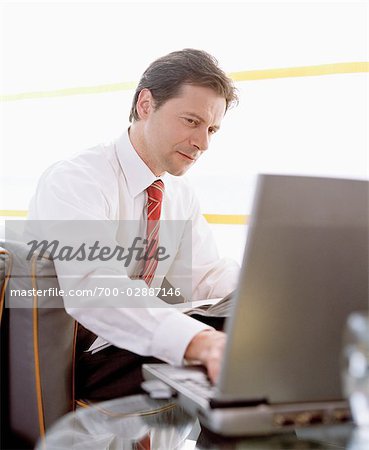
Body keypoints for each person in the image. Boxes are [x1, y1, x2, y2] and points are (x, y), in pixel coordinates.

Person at [27, 49, 240, 400]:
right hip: (78, 359)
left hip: (128, 349)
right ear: (145, 104)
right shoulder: (77, 180)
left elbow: (206, 277)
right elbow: (95, 289)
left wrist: (267, 301)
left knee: (255, 330)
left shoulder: (180, 194)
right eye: (191, 121)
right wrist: (200, 341)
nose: (202, 143)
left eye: (212, 129)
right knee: (224, 352)